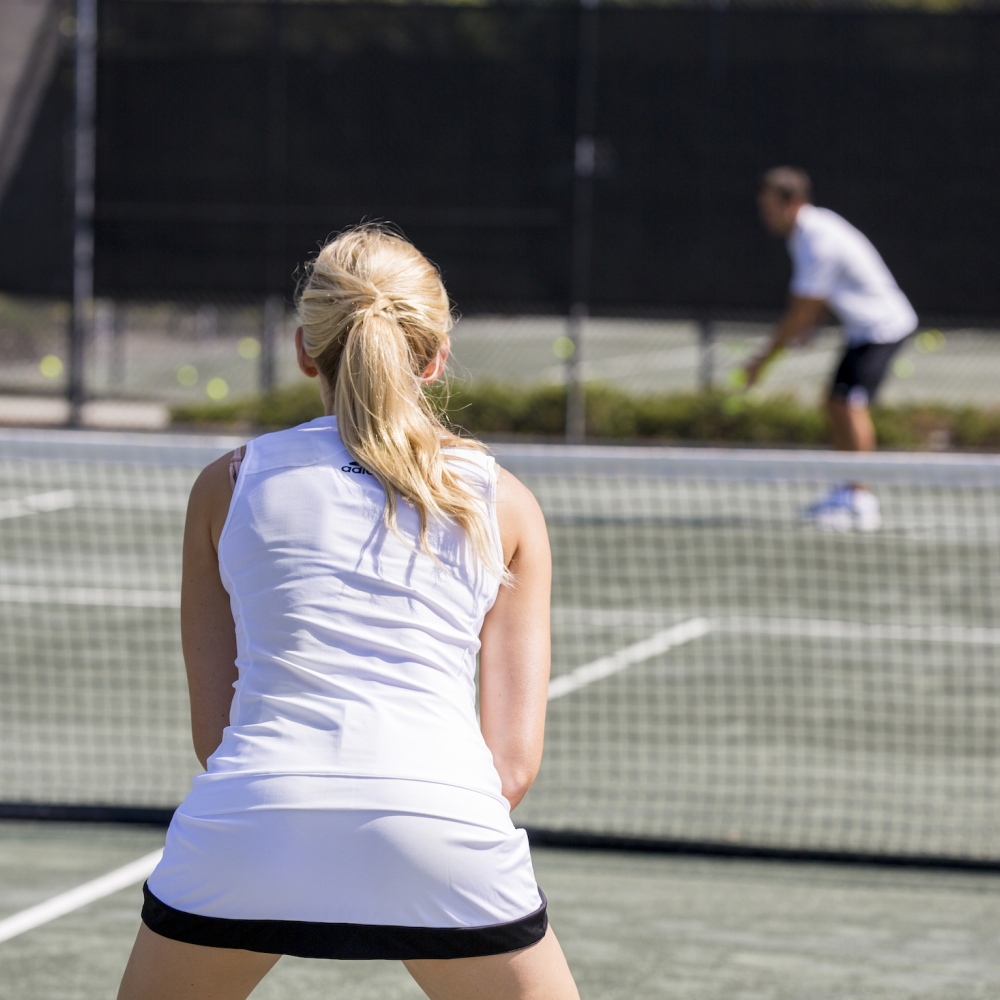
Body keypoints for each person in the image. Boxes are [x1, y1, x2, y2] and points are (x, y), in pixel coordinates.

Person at [117, 226, 579, 1000]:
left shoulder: (224, 485)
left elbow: (215, 735)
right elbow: (511, 769)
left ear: (306, 350)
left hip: (252, 817)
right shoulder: (511, 505)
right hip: (446, 825)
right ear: (434, 358)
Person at [746, 166, 918, 531]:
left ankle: (861, 499)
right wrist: (809, 327)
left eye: (770, 206)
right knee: (834, 403)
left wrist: (764, 359)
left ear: (793, 203)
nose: (765, 215)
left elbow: (803, 306)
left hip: (883, 328)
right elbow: (819, 300)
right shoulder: (804, 234)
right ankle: (847, 489)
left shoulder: (816, 237)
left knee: (848, 405)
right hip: (862, 330)